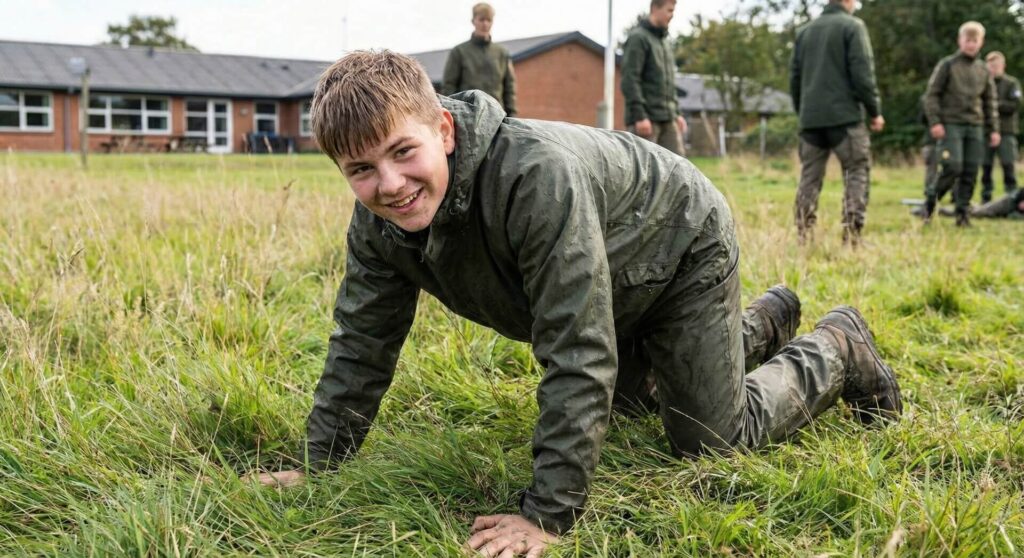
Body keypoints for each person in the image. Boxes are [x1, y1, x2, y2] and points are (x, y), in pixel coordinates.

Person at [251, 50, 902, 558]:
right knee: (633, 398)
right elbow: (362, 342)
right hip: (610, 275)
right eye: (361, 169)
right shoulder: (381, 228)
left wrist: (546, 514)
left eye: (402, 152)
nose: (389, 184)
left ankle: (836, 345)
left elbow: (577, 346)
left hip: (677, 246)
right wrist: (321, 465)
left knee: (710, 439)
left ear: (442, 129)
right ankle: (758, 325)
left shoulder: (534, 179)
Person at [789, 0, 884, 245]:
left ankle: (803, 235)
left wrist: (803, 113)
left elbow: (795, 79)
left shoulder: (805, 32)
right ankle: (852, 236)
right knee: (856, 172)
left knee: (809, 178)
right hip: (845, 119)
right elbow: (863, 74)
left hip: (810, 121)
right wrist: (875, 111)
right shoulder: (853, 26)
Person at [922, 21, 999, 226]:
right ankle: (930, 204)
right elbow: (931, 95)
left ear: (981, 43)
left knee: (971, 169)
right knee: (952, 166)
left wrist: (994, 129)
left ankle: (962, 213)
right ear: (960, 40)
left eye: (975, 41)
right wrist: (935, 122)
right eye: (968, 40)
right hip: (951, 124)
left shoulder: (983, 70)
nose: (971, 44)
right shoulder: (947, 65)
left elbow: (989, 101)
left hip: (975, 125)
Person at [621, 0, 688, 156]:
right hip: (647, 120)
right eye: (669, 10)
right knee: (644, 174)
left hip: (668, 118)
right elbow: (630, 79)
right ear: (655, 8)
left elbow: (669, 83)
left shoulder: (665, 42)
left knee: (679, 170)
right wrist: (640, 116)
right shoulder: (638, 38)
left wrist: (677, 112)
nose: (672, 15)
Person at [441, 2, 517, 116]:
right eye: (481, 19)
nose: (485, 24)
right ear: (473, 21)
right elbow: (449, 86)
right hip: (468, 116)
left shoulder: (502, 53)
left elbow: (509, 88)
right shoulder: (459, 52)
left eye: (488, 20)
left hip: (497, 116)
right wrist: (453, 114)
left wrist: (512, 116)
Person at [980, 51, 1021, 203]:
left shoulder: (1011, 83)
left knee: (1008, 164)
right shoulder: (982, 84)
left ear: (1003, 66)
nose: (993, 69)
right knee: (986, 166)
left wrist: (993, 104)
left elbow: (1015, 105)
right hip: (986, 130)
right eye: (990, 66)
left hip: (1006, 131)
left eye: (996, 66)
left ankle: (1012, 197)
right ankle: (986, 198)